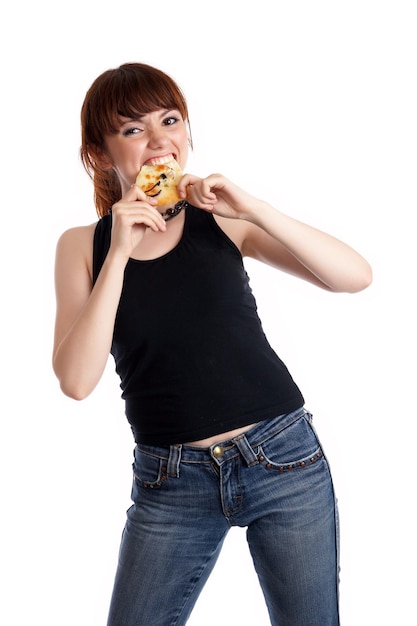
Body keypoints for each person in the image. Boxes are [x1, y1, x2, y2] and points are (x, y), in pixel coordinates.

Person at [52, 62, 372, 626]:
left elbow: (354, 275)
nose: (159, 141)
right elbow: (77, 381)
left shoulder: (220, 220)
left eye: (170, 120)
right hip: (169, 481)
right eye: (132, 129)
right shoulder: (83, 246)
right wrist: (120, 251)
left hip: (282, 459)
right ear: (99, 155)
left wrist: (254, 209)